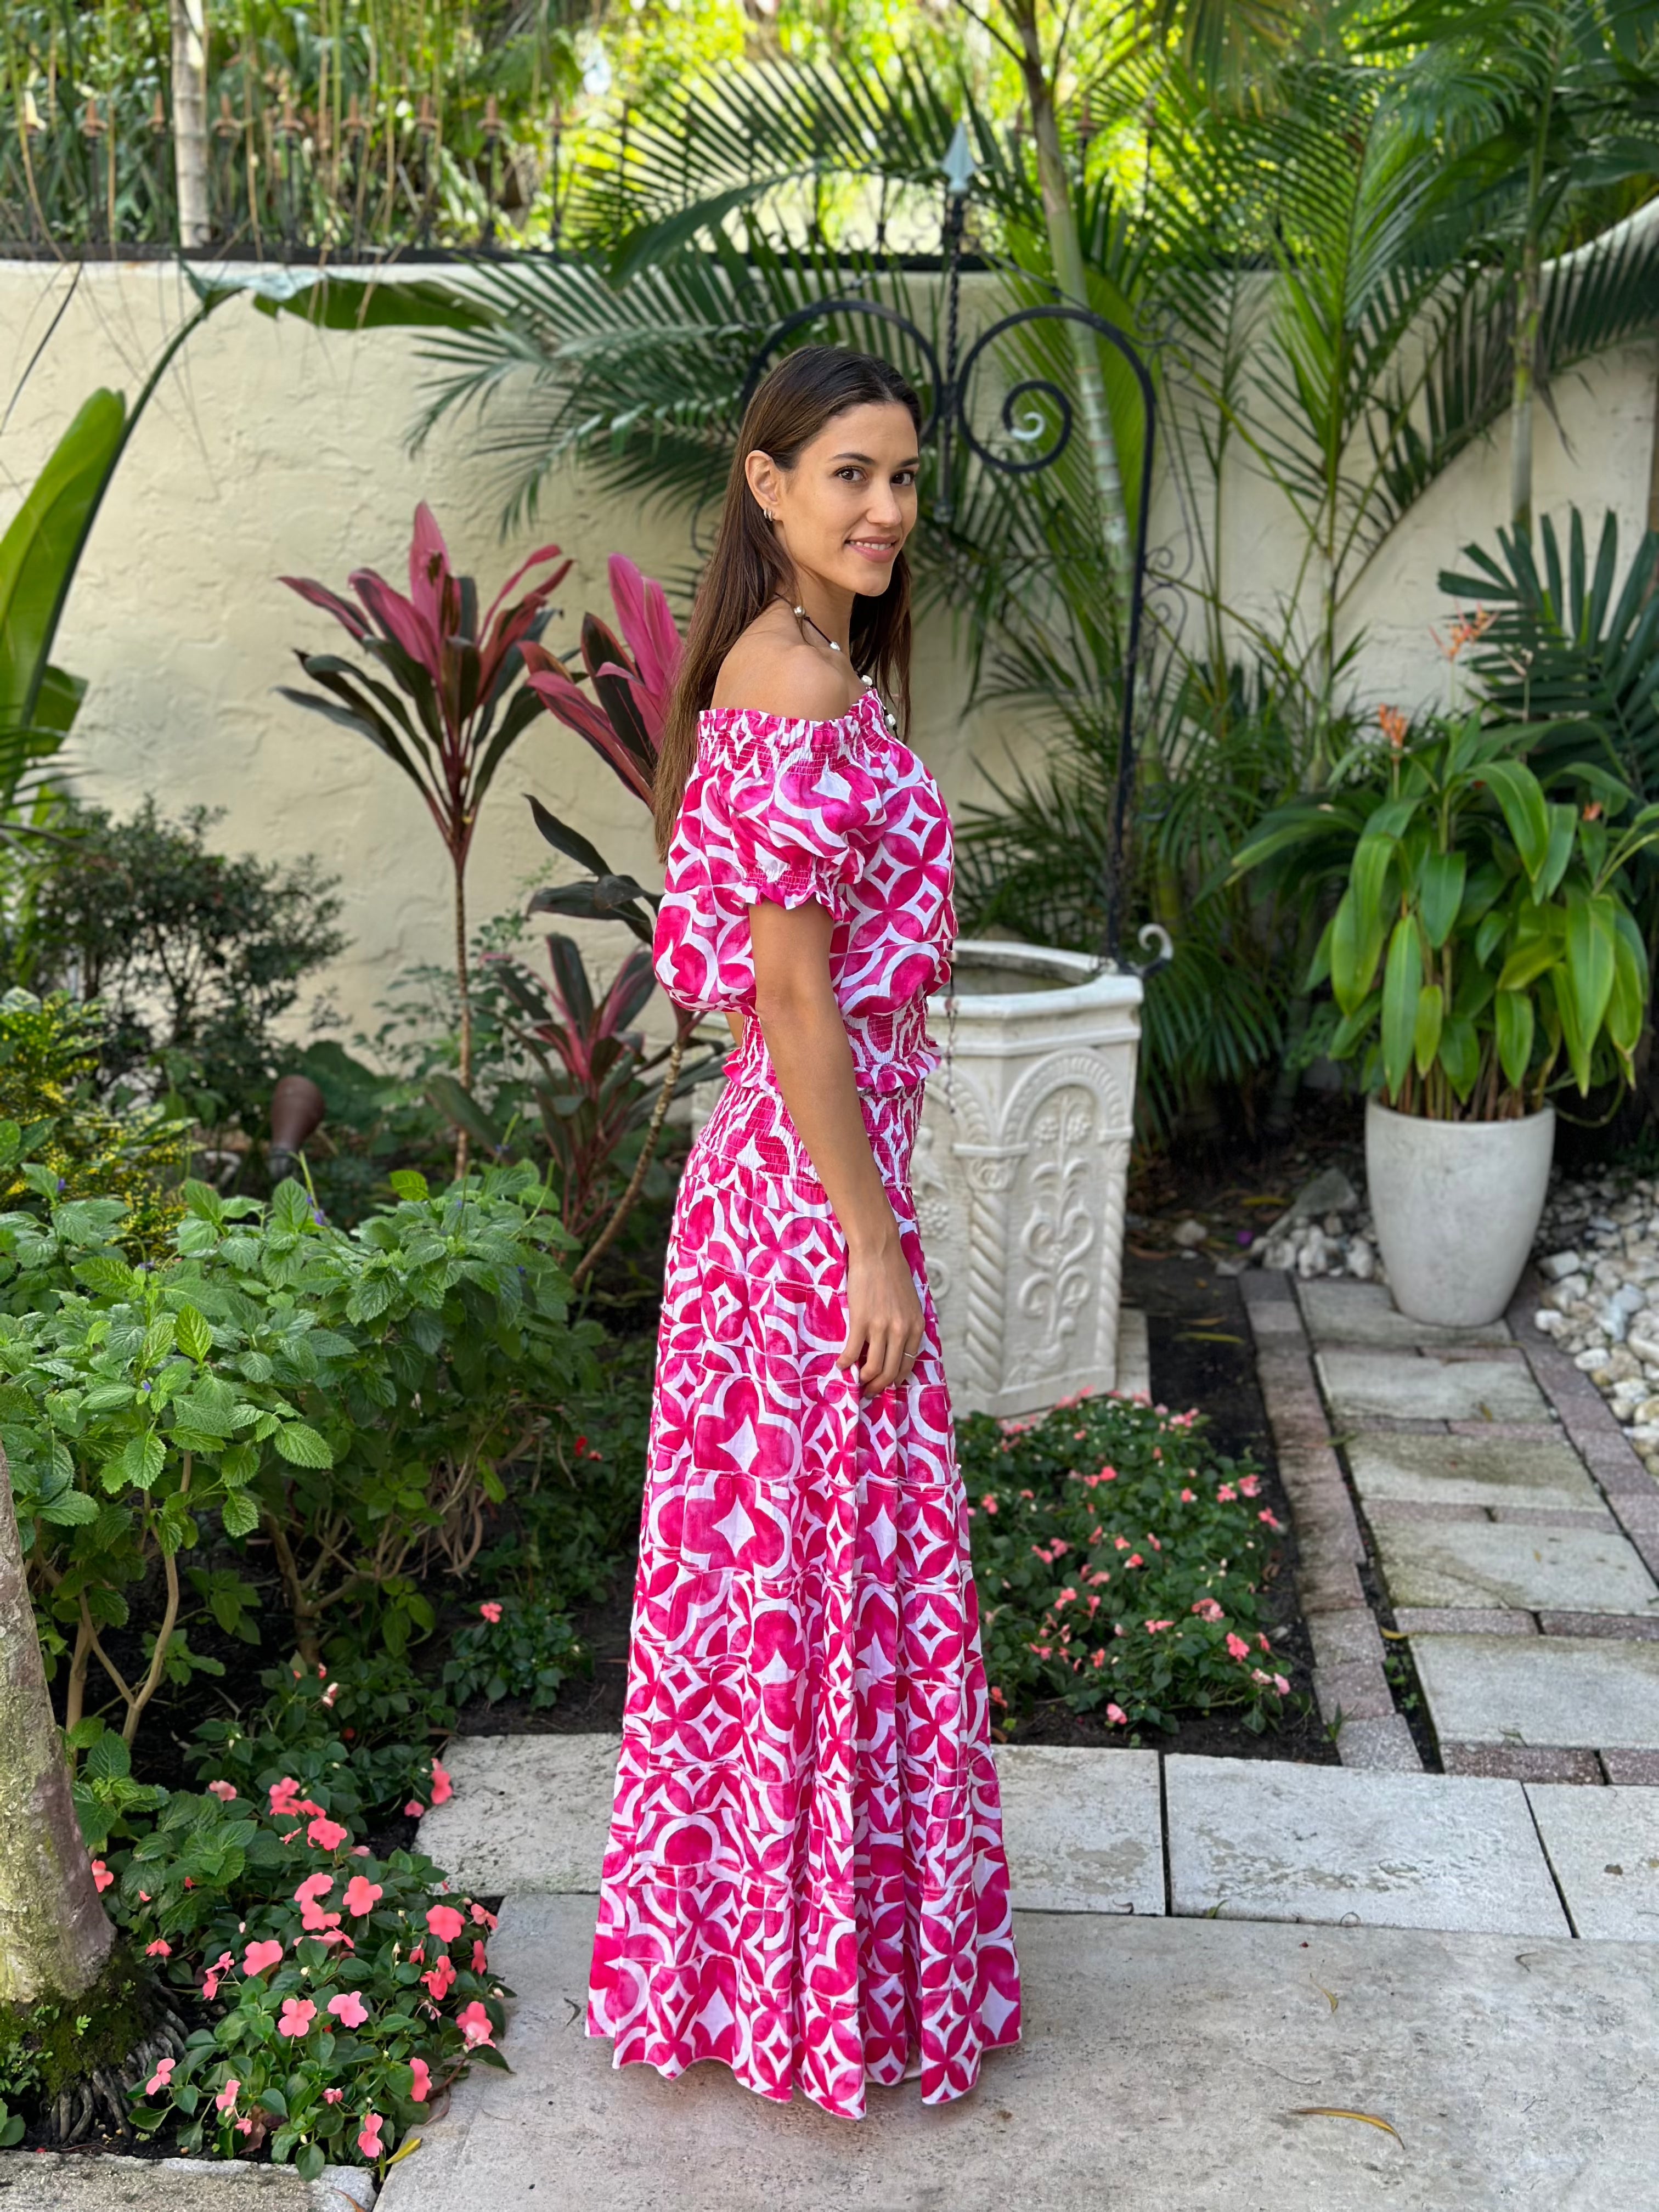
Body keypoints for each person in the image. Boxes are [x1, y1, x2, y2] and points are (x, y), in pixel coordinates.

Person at [585, 345, 1021, 2121]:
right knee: (817, 1598)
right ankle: (804, 1995)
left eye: (905, 477)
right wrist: (872, 1243)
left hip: (808, 1188)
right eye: (851, 474)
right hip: (801, 1207)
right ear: (766, 488)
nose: (887, 509)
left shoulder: (818, 664)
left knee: (814, 1599)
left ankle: (789, 1982)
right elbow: (790, 996)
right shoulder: (789, 680)